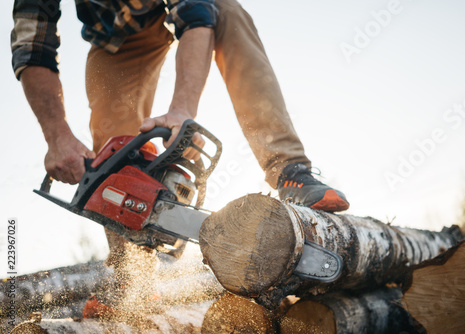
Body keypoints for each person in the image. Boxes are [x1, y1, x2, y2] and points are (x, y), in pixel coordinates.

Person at [12, 0, 349, 318]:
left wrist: (181, 113)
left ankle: (290, 169)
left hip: (191, 12)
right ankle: (133, 270)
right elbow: (32, 45)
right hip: (116, 37)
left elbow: (197, 12)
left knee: (226, 11)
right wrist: (57, 139)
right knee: (112, 134)